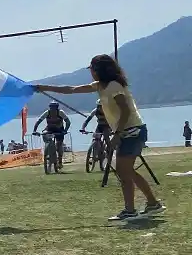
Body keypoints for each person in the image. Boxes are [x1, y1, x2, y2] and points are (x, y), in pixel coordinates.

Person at [35, 55, 164, 221]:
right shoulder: (100, 86)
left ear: (99, 70)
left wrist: (117, 135)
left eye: (92, 69)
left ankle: (131, 210)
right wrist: (43, 87)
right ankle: (152, 204)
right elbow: (71, 89)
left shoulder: (114, 86)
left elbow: (125, 110)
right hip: (129, 131)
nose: (91, 73)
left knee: (124, 172)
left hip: (132, 132)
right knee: (127, 171)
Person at [32, 101, 71, 171]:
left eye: (54, 108)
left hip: (59, 130)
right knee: (44, 134)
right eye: (51, 108)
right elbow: (38, 121)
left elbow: (68, 122)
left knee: (59, 145)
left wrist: (65, 130)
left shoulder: (60, 112)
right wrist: (34, 130)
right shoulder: (47, 112)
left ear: (57, 108)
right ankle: (48, 148)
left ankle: (60, 161)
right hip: (50, 129)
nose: (52, 109)